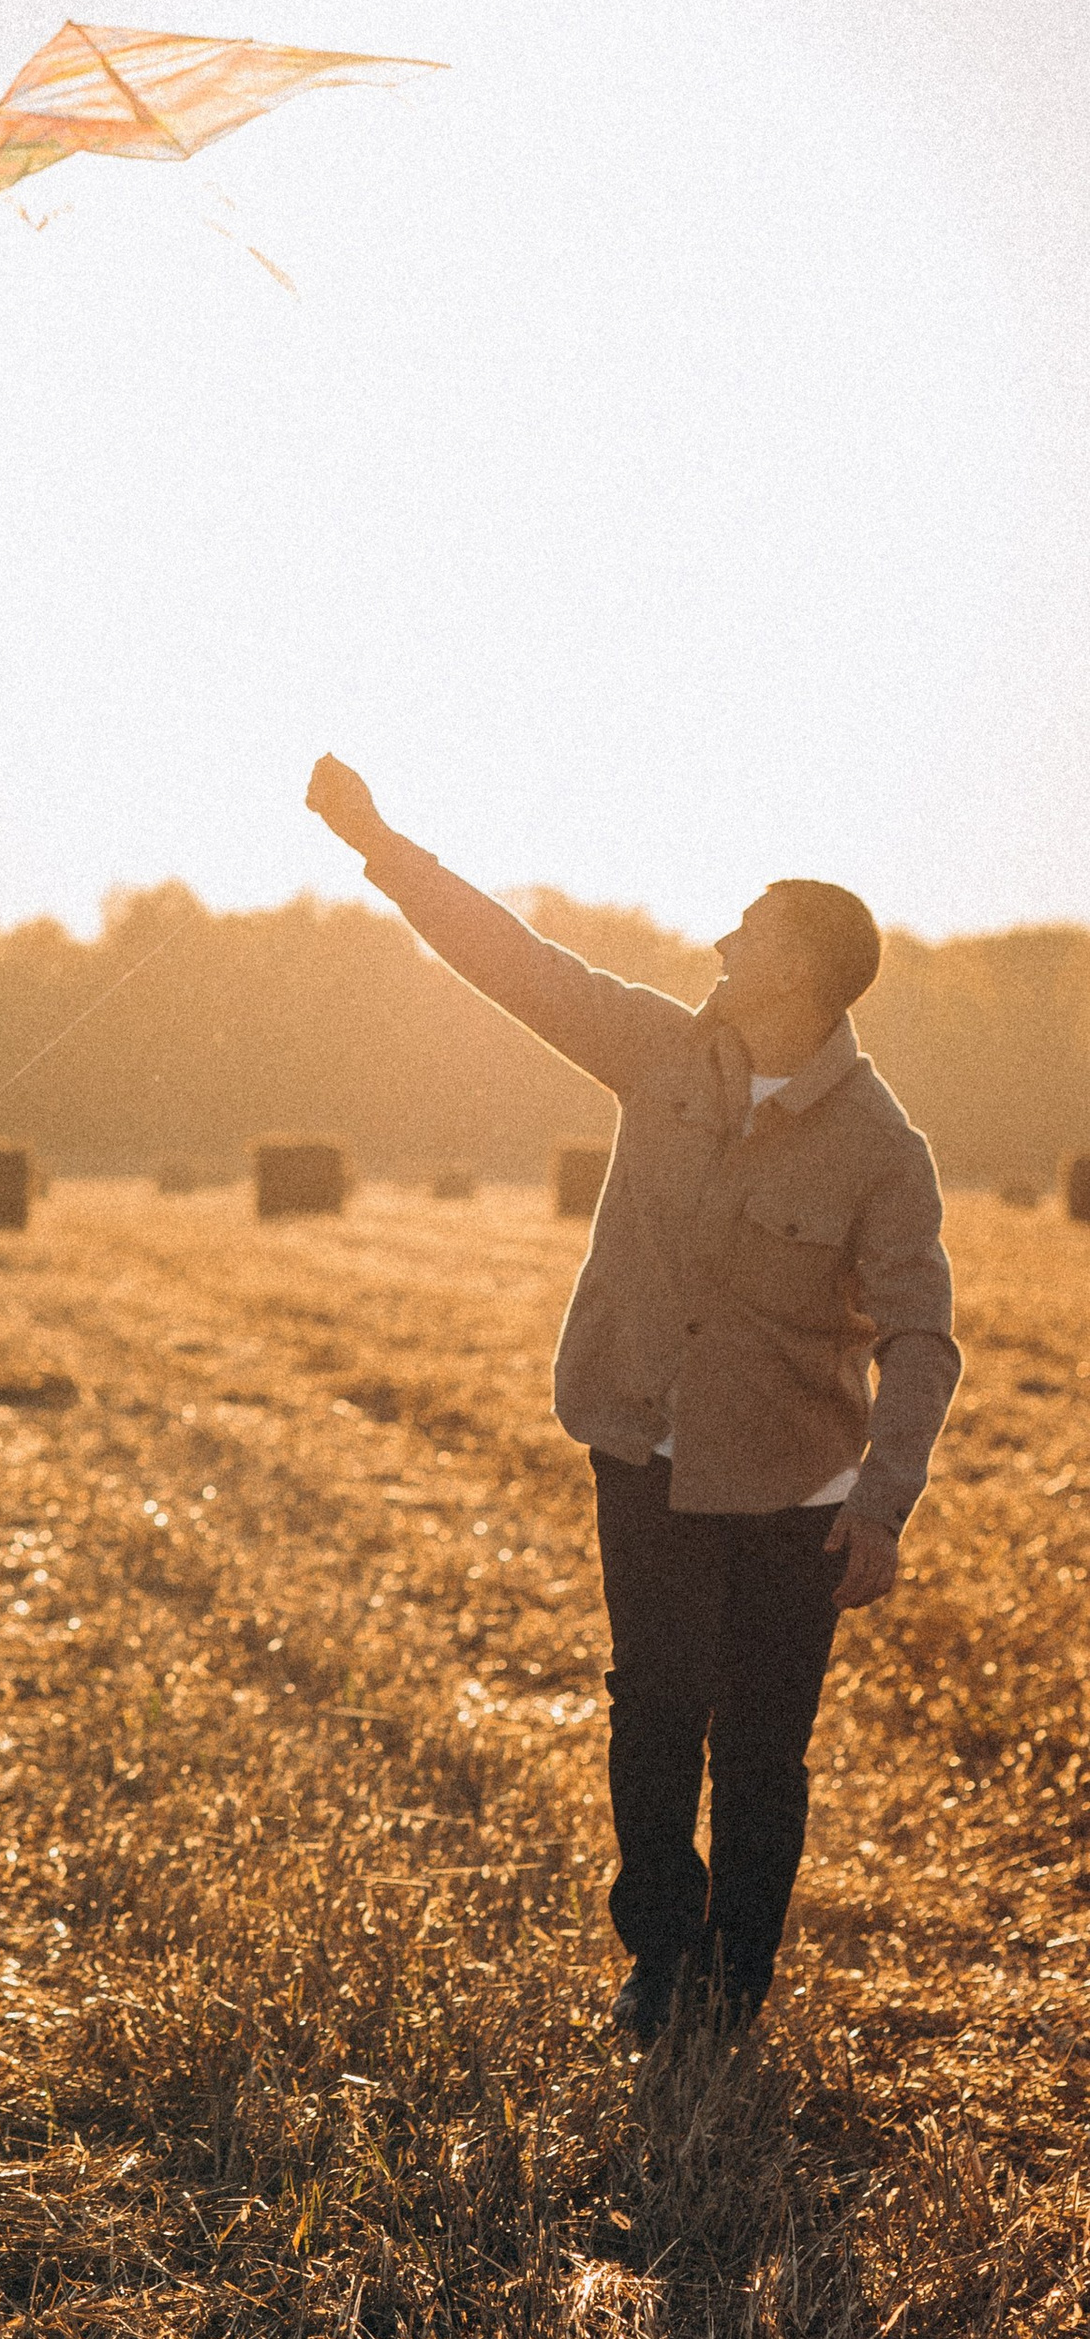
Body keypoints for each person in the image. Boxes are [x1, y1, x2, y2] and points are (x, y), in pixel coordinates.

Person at [304, 756, 959, 2047]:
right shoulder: (657, 1051)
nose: (723, 938)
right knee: (657, 1710)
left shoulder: (884, 1152)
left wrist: (882, 1505)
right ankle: (661, 1955)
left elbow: (922, 1339)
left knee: (764, 1756)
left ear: (806, 973)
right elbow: (511, 960)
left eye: (753, 930)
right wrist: (377, 843)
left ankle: (735, 1982)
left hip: (797, 1493)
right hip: (646, 1457)